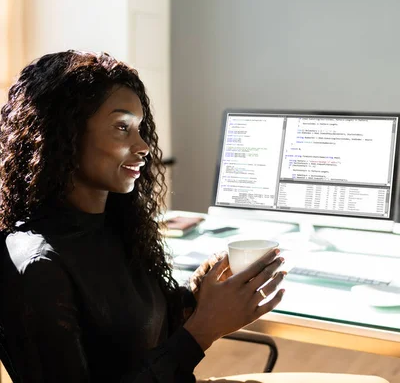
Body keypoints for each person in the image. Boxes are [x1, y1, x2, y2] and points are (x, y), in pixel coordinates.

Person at [0, 50, 287, 382]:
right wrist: (201, 332)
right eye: (122, 127)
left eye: (140, 128)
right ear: (64, 131)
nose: (143, 146)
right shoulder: (36, 266)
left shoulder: (116, 227)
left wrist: (199, 295)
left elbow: (132, 333)